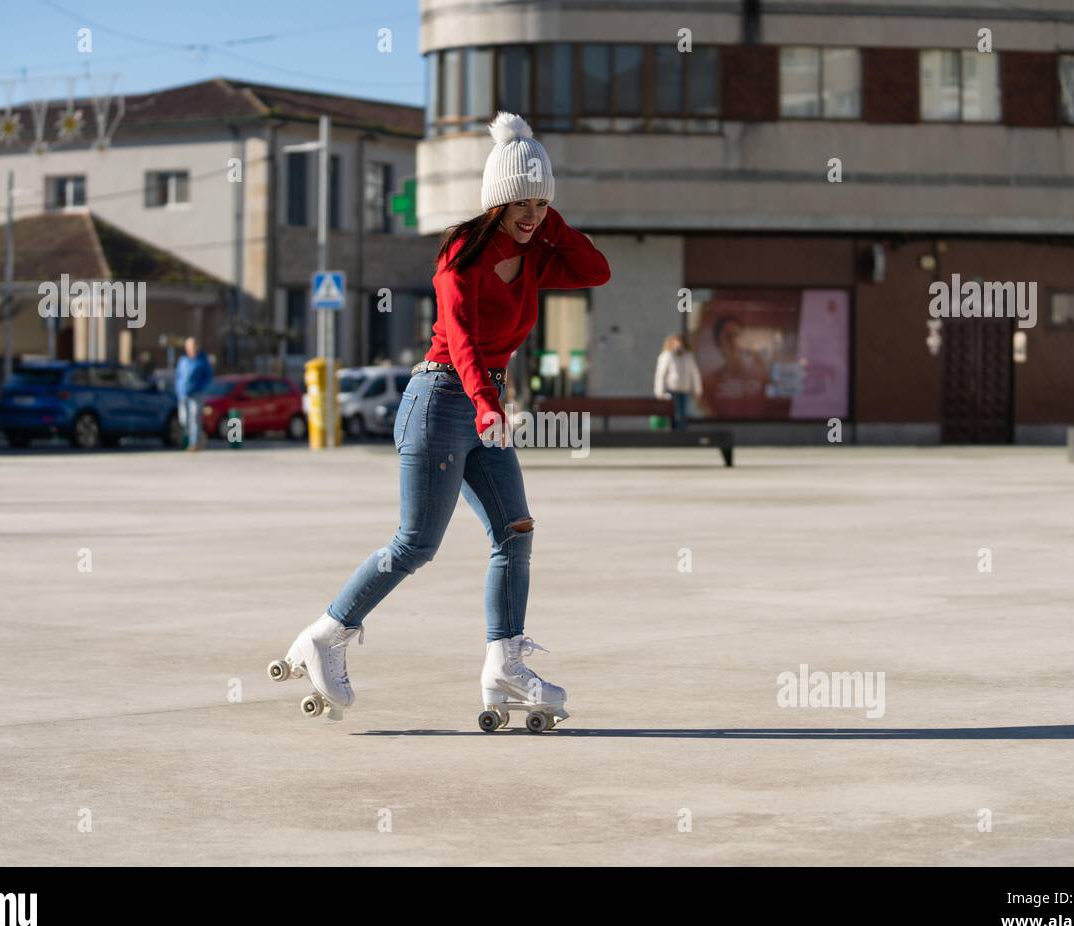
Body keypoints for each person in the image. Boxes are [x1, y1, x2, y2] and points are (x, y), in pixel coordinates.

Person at [273, 111, 611, 723]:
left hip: (486, 402)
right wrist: (486, 405)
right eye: (522, 202)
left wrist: (547, 216)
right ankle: (323, 636)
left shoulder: (535, 254)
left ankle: (504, 662)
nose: (533, 215)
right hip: (440, 400)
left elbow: (596, 269)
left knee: (516, 532)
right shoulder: (462, 253)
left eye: (542, 201)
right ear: (497, 201)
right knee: (415, 545)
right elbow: (458, 339)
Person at [653, 333, 703, 430]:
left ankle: (682, 434)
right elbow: (660, 375)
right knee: (675, 413)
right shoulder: (667, 356)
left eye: (680, 342)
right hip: (672, 389)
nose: (678, 344)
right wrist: (659, 392)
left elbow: (694, 374)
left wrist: (697, 390)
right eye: (676, 342)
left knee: (683, 413)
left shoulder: (688, 356)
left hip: (685, 389)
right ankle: (674, 435)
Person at [174, 337, 213, 451]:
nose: (190, 348)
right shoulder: (183, 360)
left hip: (197, 394)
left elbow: (208, 376)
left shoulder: (202, 360)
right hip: (183, 395)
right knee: (183, 420)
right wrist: (179, 390)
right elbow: (178, 376)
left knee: (194, 418)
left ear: (197, 346)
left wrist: (201, 388)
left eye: (192, 346)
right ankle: (200, 436)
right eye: (188, 346)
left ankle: (194, 444)